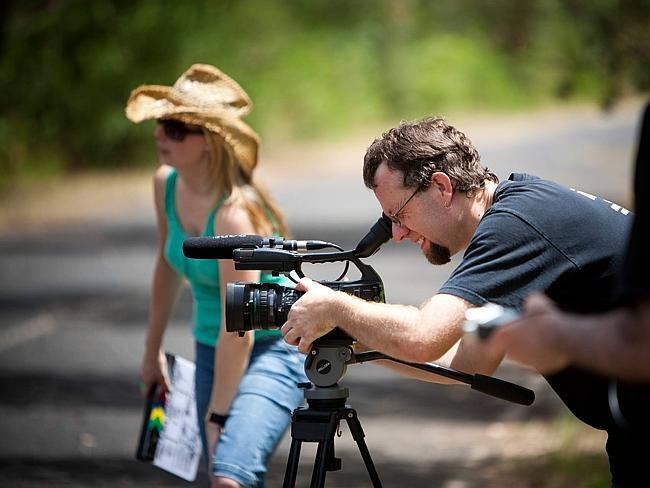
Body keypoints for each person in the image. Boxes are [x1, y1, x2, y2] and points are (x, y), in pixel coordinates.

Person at [280, 116, 639, 486]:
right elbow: (467, 363)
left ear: (442, 186)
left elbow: (424, 337)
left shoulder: (513, 226)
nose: (398, 234)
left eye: (398, 215)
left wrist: (336, 306)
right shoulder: (518, 205)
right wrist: (352, 337)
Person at [126, 64, 306, 488]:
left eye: (173, 128)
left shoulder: (232, 214)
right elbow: (167, 266)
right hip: (210, 347)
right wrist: (151, 352)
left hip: (273, 349)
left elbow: (240, 329)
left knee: (228, 476)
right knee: (222, 475)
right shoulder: (165, 184)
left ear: (207, 140)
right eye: (159, 124)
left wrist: (217, 414)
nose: (158, 135)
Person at [490, 100, 650, 382]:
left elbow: (641, 341)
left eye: (400, 214)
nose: (400, 234)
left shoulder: (511, 217)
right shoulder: (526, 192)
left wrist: (556, 334)